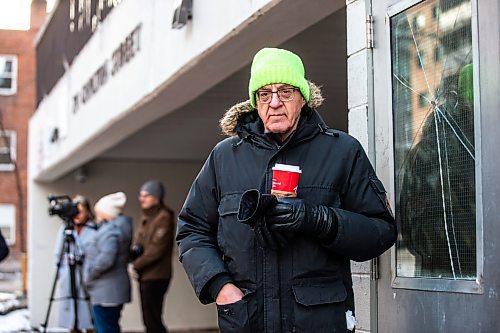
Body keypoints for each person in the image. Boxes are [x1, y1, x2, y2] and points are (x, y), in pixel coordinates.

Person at [176, 47, 397, 333]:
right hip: (246, 319)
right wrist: (220, 286)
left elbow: (381, 231)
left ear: (303, 98)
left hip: (319, 321)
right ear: (255, 102)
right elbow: (191, 229)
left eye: (286, 91)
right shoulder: (224, 157)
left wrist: (319, 219)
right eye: (265, 94)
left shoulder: (342, 151)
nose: (275, 102)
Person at [399, 64, 475, 278]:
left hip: (438, 274)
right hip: (448, 276)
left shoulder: (426, 150)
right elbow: (412, 226)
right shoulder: (435, 152)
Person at [84, 192, 133, 333]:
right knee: (110, 326)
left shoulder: (111, 232)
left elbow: (106, 259)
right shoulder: (117, 229)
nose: (97, 217)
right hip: (108, 290)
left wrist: (90, 274)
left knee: (106, 327)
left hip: (107, 292)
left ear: (108, 214)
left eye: (99, 213)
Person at [131, 180, 175, 333]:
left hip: (156, 276)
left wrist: (135, 265)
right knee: (149, 319)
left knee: (153, 319)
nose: (141, 199)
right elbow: (138, 243)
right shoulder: (147, 217)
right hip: (145, 275)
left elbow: (156, 250)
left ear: (156, 197)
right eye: (140, 195)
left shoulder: (164, 217)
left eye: (146, 195)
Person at [53, 195, 97, 332]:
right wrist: (62, 272)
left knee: (89, 316)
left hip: (88, 277)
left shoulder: (94, 229)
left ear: (88, 212)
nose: (77, 215)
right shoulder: (66, 230)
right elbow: (58, 254)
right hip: (69, 277)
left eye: (80, 211)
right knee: (71, 317)